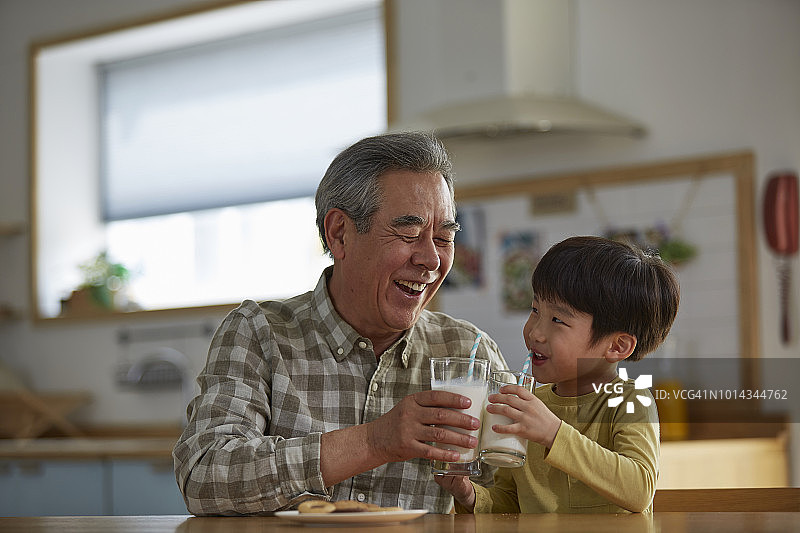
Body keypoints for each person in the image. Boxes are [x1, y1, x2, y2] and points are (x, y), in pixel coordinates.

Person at [173, 132, 507, 515]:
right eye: (409, 233)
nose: (431, 260)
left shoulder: (468, 352)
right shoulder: (259, 333)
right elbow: (204, 476)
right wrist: (374, 441)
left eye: (444, 237)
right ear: (339, 233)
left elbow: (515, 501)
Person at [436, 235, 680, 514]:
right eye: (535, 310)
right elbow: (511, 505)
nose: (535, 332)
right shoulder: (529, 405)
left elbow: (639, 490)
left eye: (557, 320)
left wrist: (553, 433)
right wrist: (469, 495)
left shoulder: (631, 401)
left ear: (617, 346)